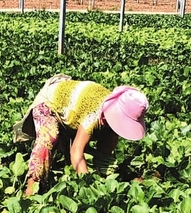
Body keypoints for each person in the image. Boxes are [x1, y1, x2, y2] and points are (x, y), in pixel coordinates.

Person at [13, 74, 149, 196]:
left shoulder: (112, 121)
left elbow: (104, 154)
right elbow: (76, 151)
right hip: (51, 102)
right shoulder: (94, 115)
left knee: (109, 137)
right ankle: (30, 191)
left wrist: (103, 186)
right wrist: (89, 187)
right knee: (49, 138)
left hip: (74, 111)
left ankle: (80, 179)